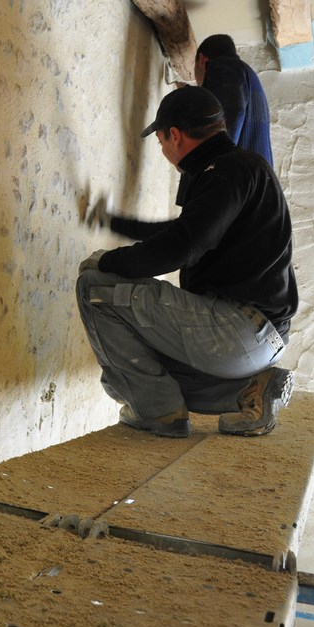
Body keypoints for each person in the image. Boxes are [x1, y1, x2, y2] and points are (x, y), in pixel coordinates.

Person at [76, 86, 297, 438]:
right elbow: (184, 232)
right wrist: (117, 224)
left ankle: (159, 413)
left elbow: (183, 246)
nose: (163, 149)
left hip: (236, 331)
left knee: (92, 287)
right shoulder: (238, 169)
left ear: (174, 136)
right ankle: (251, 392)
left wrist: (106, 262)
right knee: (137, 368)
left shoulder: (226, 172)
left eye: (161, 141)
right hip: (258, 341)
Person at [195, 33, 273, 166]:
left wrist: (215, 164)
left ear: (201, 59)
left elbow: (233, 111)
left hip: (240, 173)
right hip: (256, 173)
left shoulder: (223, 67)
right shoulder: (248, 75)